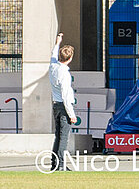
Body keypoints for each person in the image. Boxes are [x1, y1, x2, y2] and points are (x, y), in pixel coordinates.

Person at [49, 32, 78, 172]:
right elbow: (66, 96)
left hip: (55, 105)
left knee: (57, 135)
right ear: (70, 58)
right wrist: (71, 114)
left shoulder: (53, 67)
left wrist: (58, 42)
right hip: (64, 106)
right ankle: (61, 164)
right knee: (64, 137)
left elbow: (53, 55)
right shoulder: (65, 74)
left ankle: (54, 163)